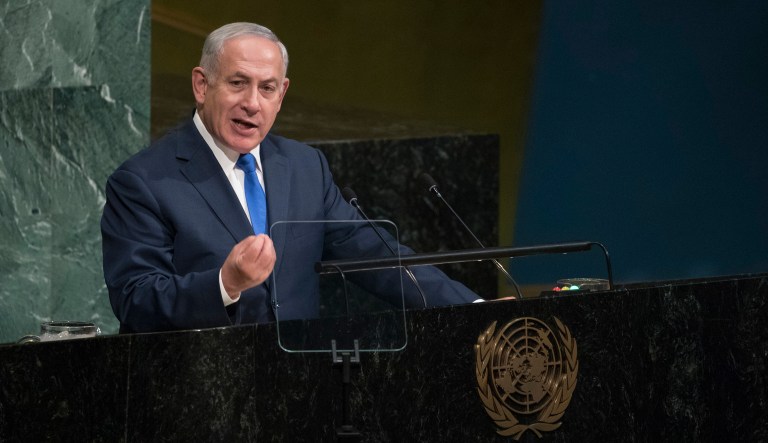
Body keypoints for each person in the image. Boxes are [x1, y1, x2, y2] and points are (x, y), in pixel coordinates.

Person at [101, 22, 479, 333]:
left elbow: (376, 255)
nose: (252, 103)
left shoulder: (304, 166)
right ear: (202, 85)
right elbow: (136, 300)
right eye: (237, 83)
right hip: (199, 388)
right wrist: (225, 284)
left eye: (266, 88)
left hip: (299, 387)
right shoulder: (143, 181)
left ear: (281, 95)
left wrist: (474, 310)